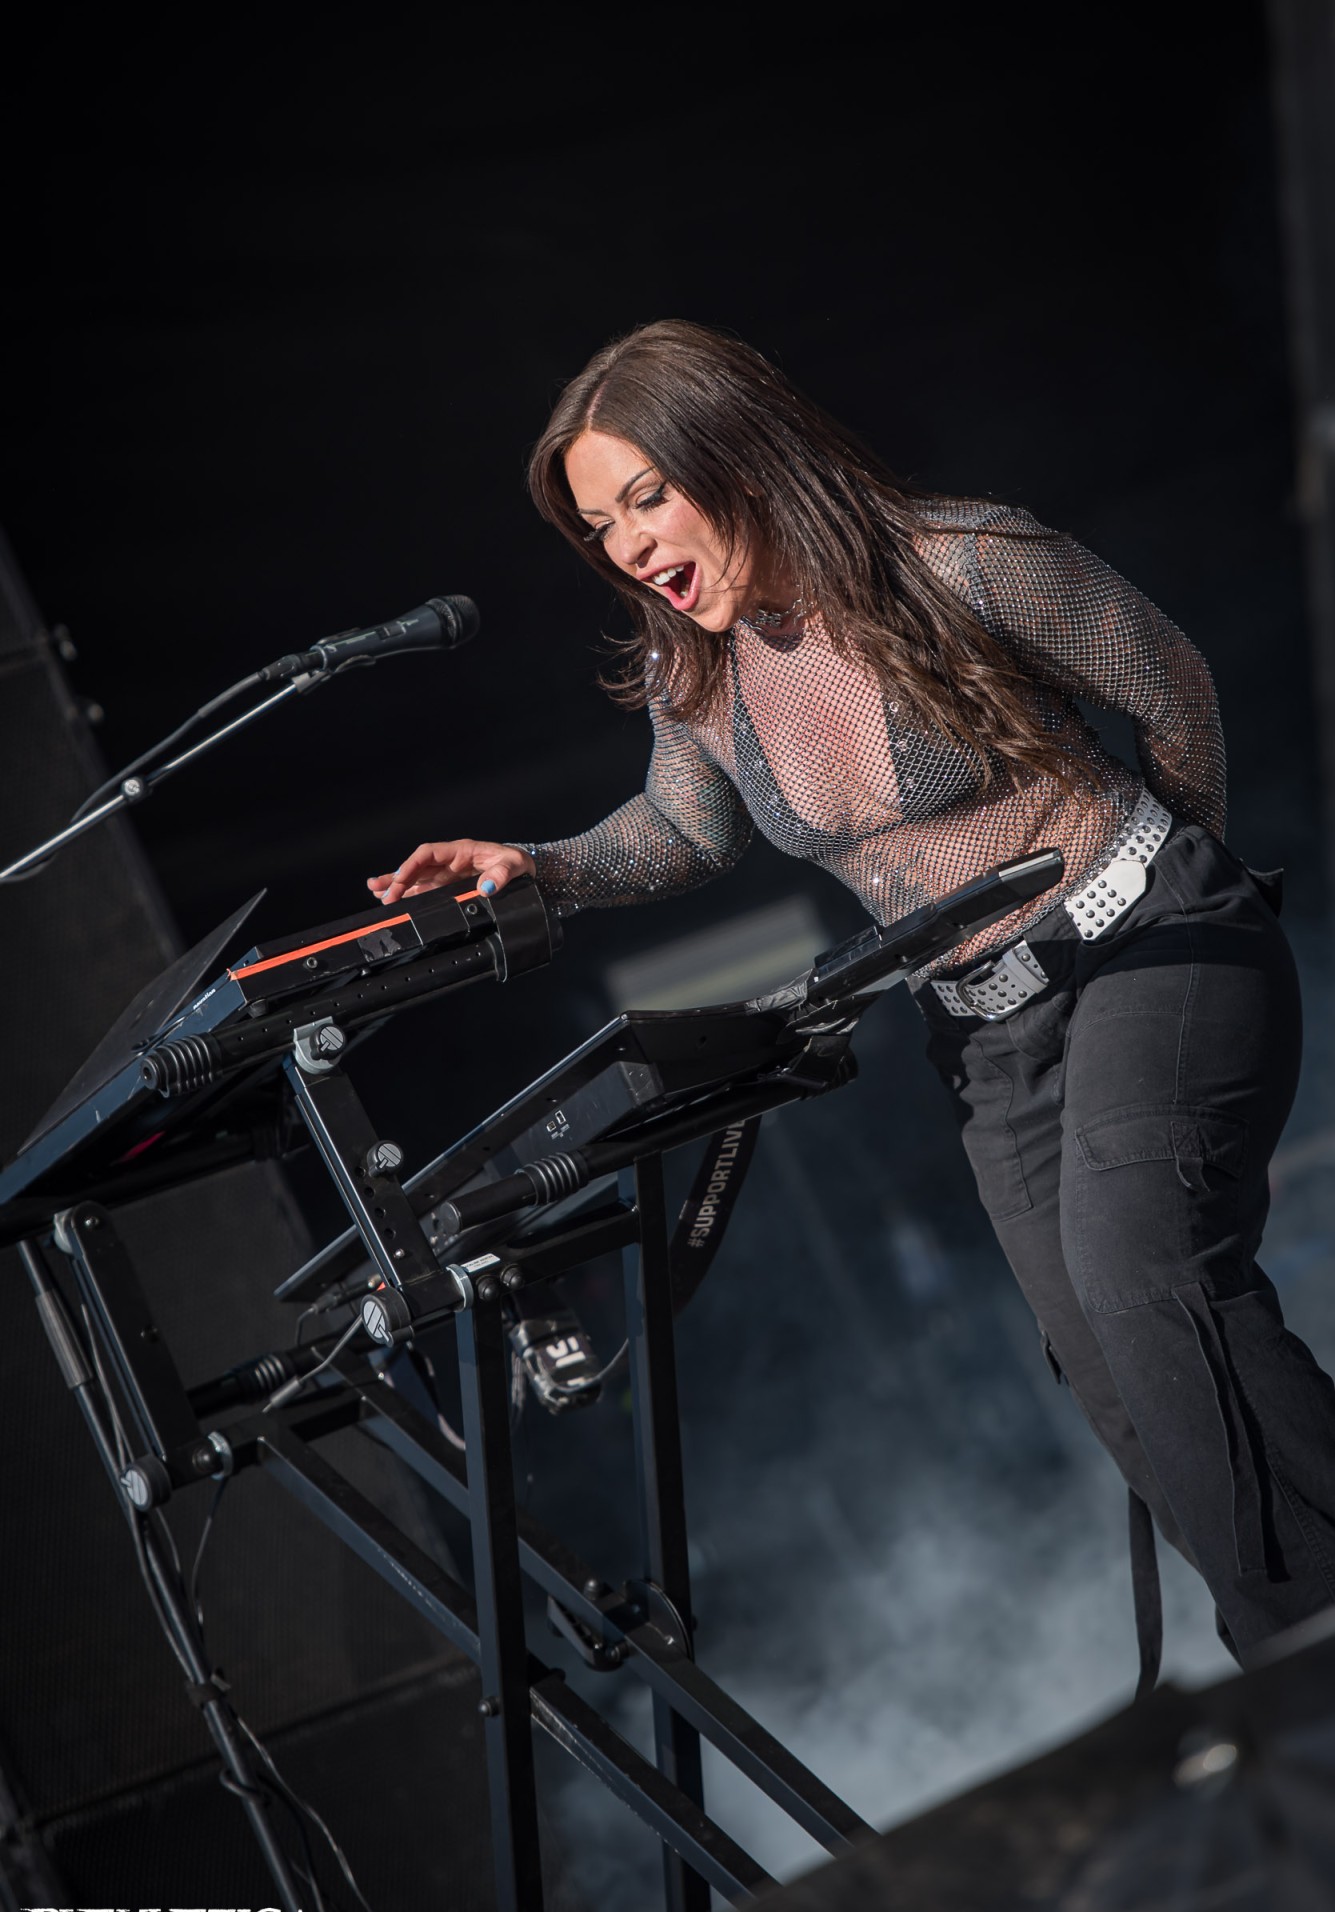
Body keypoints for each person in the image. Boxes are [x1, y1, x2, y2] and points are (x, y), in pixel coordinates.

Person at [368, 320, 1335, 1676]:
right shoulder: (698, 674)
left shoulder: (964, 559)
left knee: (1143, 1278)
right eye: (601, 527)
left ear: (739, 454)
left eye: (648, 497)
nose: (631, 545)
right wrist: (540, 865)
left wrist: (1182, 885)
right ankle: (1288, 1663)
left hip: (1149, 947)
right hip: (991, 1043)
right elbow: (683, 830)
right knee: (1111, 1370)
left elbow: (1171, 685)